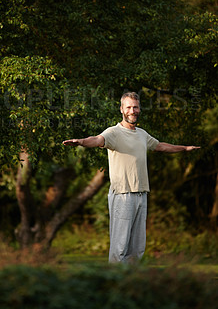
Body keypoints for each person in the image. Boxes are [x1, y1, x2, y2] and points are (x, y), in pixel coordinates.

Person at [63, 92, 200, 264]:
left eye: (135, 107)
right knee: (120, 247)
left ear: (139, 109)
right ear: (121, 109)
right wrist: (81, 141)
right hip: (123, 195)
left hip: (141, 194)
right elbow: (97, 140)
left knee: (137, 248)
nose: (132, 110)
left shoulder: (142, 134)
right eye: (128, 107)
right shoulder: (114, 132)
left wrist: (184, 148)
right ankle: (113, 283)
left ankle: (131, 284)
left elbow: (160, 146)